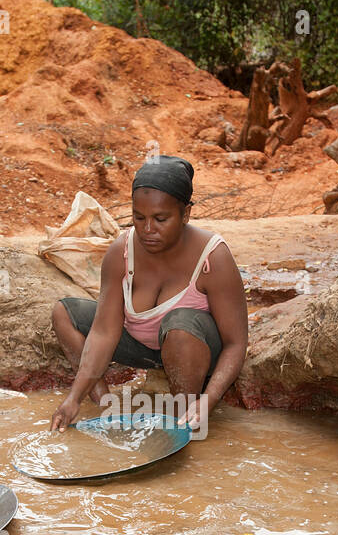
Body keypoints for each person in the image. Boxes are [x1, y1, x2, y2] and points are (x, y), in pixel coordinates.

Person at [49, 155, 248, 433]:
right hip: (143, 348)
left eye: (160, 219)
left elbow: (236, 344)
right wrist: (74, 398)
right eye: (139, 218)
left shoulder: (213, 257)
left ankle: (182, 422)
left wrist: (209, 400)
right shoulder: (122, 251)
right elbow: (104, 332)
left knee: (179, 327)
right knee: (65, 313)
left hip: (194, 351)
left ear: (186, 214)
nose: (147, 230)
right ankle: (109, 412)